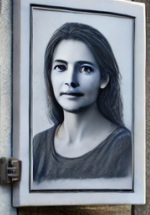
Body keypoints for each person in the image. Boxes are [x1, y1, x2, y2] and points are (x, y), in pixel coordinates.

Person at [32, 22, 132, 183]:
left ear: (104, 79)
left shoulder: (124, 146)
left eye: (85, 69)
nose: (70, 81)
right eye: (61, 67)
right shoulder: (38, 145)